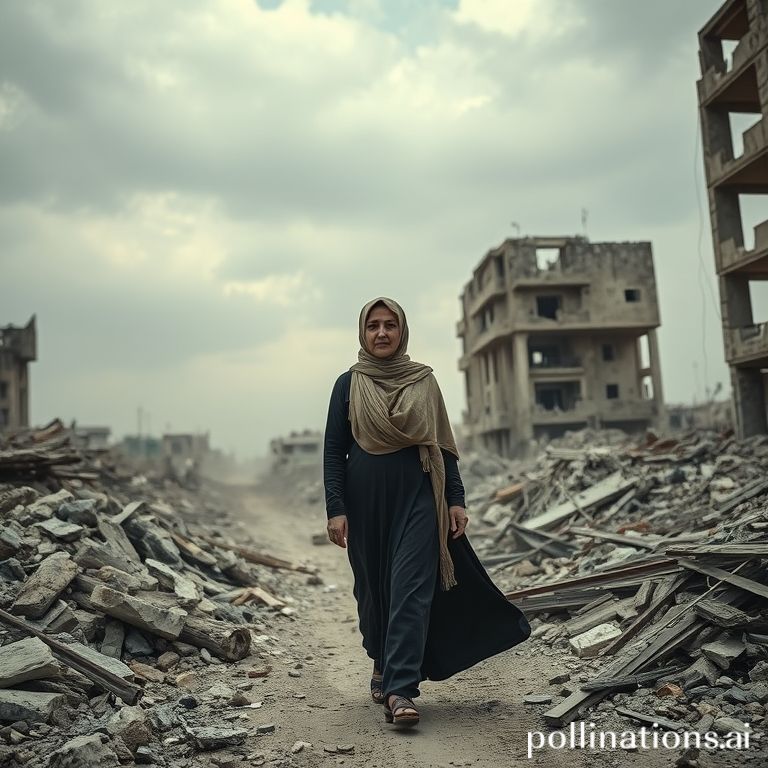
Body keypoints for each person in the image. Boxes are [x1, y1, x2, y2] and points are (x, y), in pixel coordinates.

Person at [323, 297, 530, 728]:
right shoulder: (348, 384)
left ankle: (400, 690)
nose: (382, 333)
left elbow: (443, 448)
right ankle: (381, 658)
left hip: (419, 499)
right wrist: (336, 508)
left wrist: (456, 498)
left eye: (390, 325)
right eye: (374, 326)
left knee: (410, 591)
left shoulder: (424, 382)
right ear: (362, 333)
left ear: (403, 331)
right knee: (373, 593)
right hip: (365, 505)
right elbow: (333, 452)